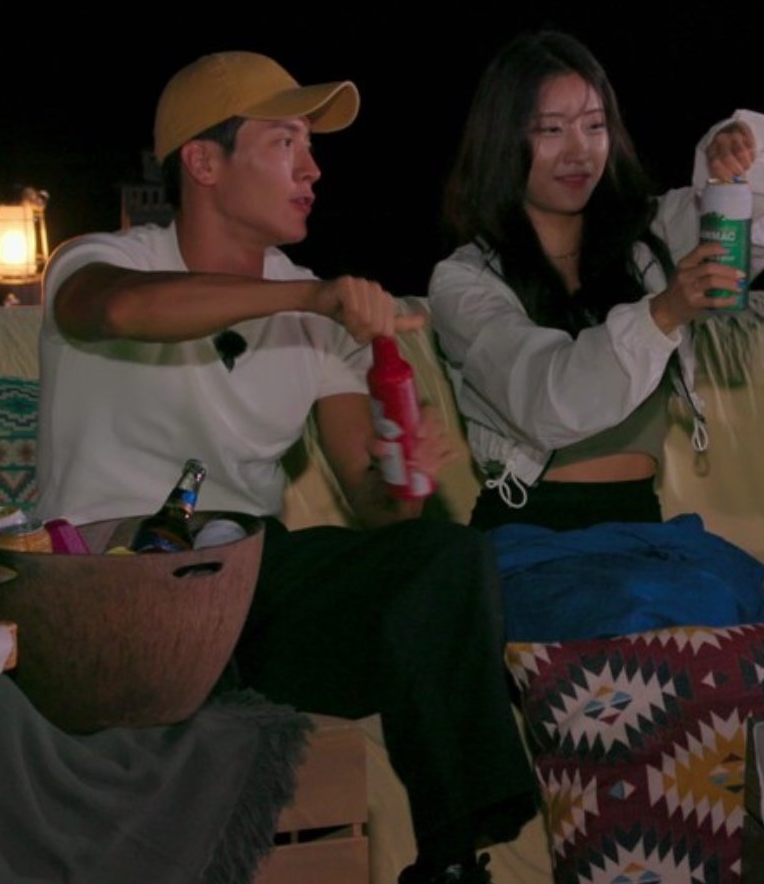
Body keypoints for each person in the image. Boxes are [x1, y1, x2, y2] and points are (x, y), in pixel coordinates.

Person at [37, 51, 534, 884]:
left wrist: (401, 473)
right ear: (204, 162)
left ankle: (453, 860)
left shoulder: (321, 311)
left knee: (445, 558)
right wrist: (308, 300)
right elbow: (121, 311)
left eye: (310, 147)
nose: (312, 169)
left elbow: (378, 511)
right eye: (284, 144)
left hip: (249, 578)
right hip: (115, 580)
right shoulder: (99, 263)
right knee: (189, 612)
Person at [429, 30, 764, 638]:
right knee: (641, 617)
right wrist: (663, 312)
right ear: (503, 139)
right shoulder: (465, 281)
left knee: (733, 616)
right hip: (531, 544)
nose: (579, 151)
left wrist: (732, 155)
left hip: (643, 536)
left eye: (594, 126)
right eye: (551, 130)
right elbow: (547, 399)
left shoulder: (648, 240)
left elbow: (750, 228)